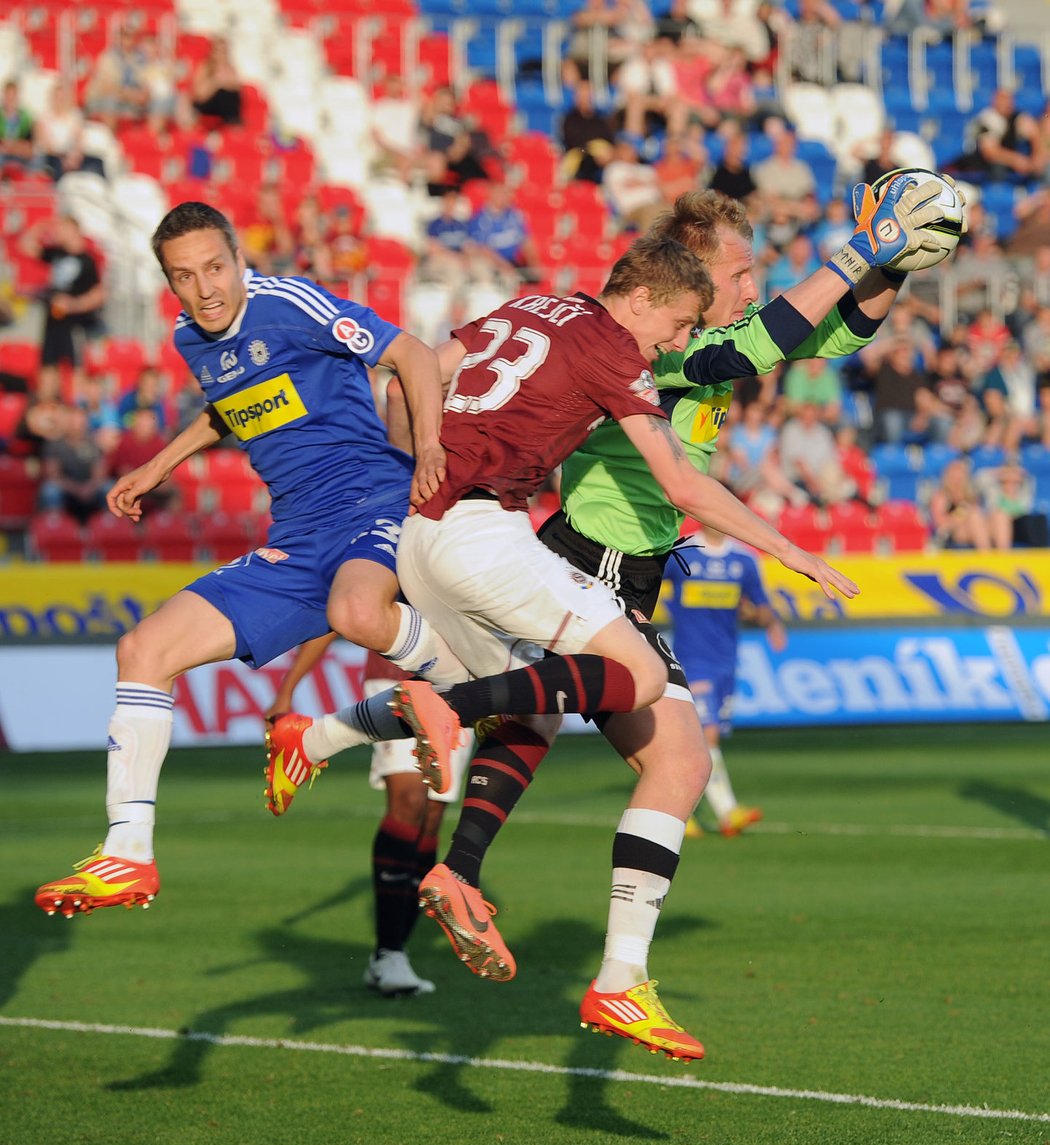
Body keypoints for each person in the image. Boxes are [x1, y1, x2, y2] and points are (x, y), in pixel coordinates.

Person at [267, 181, 939, 1058]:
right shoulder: (649, 343)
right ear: (680, 277)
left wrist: (899, 256)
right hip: (589, 551)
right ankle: (615, 977)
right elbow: (750, 351)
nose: (745, 289)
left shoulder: (609, 317)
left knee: (547, 715)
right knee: (652, 735)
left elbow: (841, 325)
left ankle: (407, 816)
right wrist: (860, 252)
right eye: (738, 272)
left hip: (549, 544)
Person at [34, 200, 462, 920]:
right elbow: (228, 405)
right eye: (184, 277)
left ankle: (450, 683)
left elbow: (411, 354)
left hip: (372, 501)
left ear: (239, 259)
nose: (205, 290)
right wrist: (160, 465)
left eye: (215, 268)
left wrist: (428, 449)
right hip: (296, 534)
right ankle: (129, 851)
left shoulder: (288, 303)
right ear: (168, 284)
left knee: (356, 612)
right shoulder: (189, 337)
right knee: (143, 648)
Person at [265, 635, 474, 997]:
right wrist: (287, 690)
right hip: (398, 675)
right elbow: (339, 611)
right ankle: (390, 953)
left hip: (462, 682)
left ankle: (391, 955)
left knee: (432, 814)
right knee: (409, 801)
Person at [662, 524, 786, 837]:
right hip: (692, 659)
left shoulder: (743, 561)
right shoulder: (683, 552)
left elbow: (760, 603)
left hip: (726, 661)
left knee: (695, 741)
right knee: (708, 734)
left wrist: (770, 623)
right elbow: (647, 581)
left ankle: (676, 812)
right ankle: (727, 812)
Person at [20, 215, 105, 373]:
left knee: (75, 367)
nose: (59, 232)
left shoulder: (87, 260)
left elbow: (98, 295)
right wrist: (39, 228)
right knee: (48, 365)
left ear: (74, 231)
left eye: (63, 228)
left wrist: (73, 305)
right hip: (53, 319)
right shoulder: (58, 253)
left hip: (74, 324)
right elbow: (26, 247)